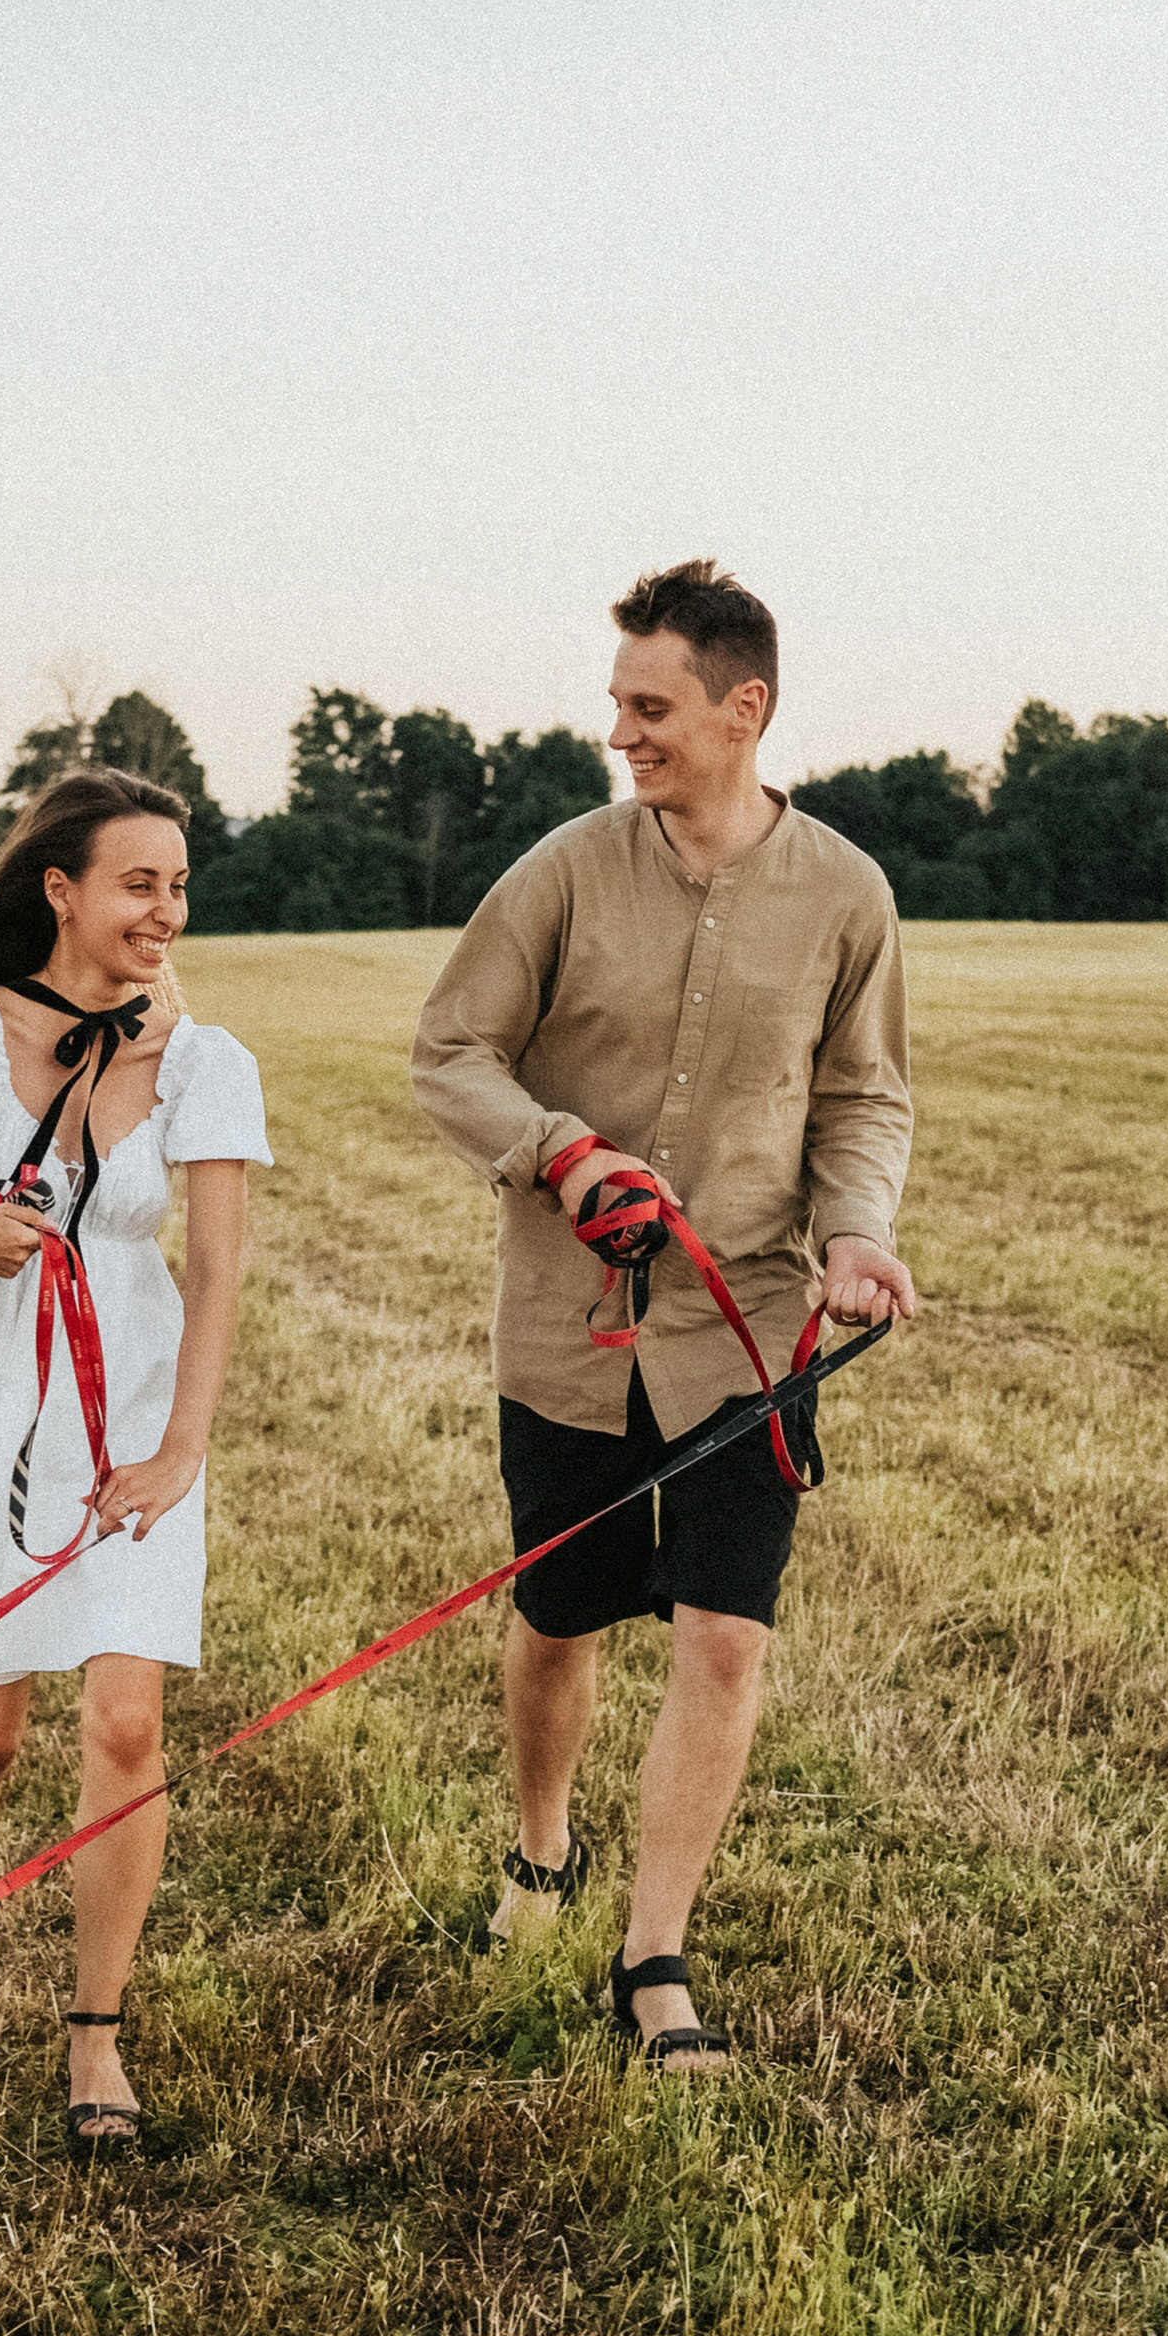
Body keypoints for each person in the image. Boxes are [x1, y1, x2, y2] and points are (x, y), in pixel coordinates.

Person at [411, 561, 914, 2071]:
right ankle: (542, 1847)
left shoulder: (849, 895)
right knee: (559, 1619)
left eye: (652, 706)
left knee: (723, 1640)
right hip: (569, 1328)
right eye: (619, 701)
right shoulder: (562, 872)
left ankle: (653, 1955)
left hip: (750, 1334)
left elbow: (863, 1096)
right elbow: (450, 1050)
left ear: (742, 708)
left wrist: (856, 1231)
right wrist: (559, 1149)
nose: (621, 731)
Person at [0, 768, 270, 2146]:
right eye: (142, 882)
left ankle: (96, 2040)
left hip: (131, 1411)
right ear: (62, 889)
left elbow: (213, 1273)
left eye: (182, 886)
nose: (169, 911)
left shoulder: (204, 1064)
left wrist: (180, 1450)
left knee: (126, 1723)